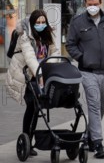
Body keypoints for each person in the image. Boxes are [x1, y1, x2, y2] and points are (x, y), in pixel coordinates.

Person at [66, 0, 104, 159]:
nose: (93, 7)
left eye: (95, 4)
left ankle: (89, 136)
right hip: (87, 71)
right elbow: (70, 44)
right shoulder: (77, 22)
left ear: (101, 3)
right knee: (93, 105)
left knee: (102, 106)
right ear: (85, 4)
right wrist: (81, 57)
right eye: (90, 5)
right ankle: (98, 143)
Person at [7, 10, 60, 158]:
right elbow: (30, 57)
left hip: (40, 75)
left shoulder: (47, 35)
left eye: (43, 22)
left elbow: (54, 52)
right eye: (38, 22)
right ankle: (27, 140)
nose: (41, 25)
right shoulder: (24, 36)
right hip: (26, 75)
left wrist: (53, 66)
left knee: (37, 108)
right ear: (32, 23)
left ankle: (29, 140)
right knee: (32, 106)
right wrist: (39, 72)